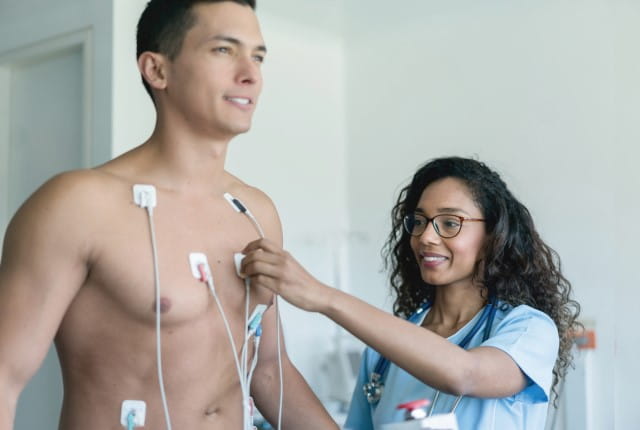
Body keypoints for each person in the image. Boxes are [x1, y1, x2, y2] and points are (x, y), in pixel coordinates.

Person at [0, 1, 338, 429]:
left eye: (257, 56)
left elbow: (269, 371)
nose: (250, 74)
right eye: (223, 50)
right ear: (157, 70)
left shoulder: (256, 212)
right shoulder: (78, 205)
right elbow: (3, 378)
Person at [241, 156, 582, 429]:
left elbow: (464, 374)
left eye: (450, 223)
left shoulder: (527, 329)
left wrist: (323, 297)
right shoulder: (384, 355)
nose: (426, 237)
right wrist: (265, 368)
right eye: (418, 222)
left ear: (493, 235)